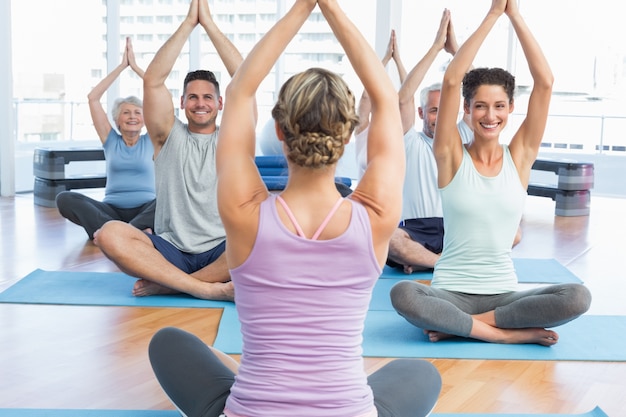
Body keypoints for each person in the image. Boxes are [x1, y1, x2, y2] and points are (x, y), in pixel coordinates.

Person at [148, 1, 442, 416]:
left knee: (167, 342)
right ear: (347, 133)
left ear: (280, 131)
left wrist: (303, 8)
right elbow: (384, 95)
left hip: (254, 410)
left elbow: (239, 91)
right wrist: (333, 10)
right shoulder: (374, 217)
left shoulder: (245, 212)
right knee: (421, 373)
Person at [390, 0, 592, 346]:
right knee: (404, 294)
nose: (490, 115)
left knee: (576, 296)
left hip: (504, 295)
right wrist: (494, 13)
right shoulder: (450, 155)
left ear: (511, 108)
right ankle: (507, 336)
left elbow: (545, 82)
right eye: (480, 105)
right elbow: (453, 80)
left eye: (499, 106)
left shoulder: (520, 157)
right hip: (449, 292)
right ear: (467, 109)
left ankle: (468, 326)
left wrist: (515, 15)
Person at [94, 0, 241, 300]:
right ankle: (202, 288)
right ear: (182, 103)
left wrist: (209, 24)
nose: (201, 103)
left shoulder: (233, 138)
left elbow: (244, 78)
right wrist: (189, 22)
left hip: (221, 251)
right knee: (107, 234)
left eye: (208, 97)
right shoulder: (166, 135)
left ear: (220, 103)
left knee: (263, 236)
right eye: (193, 97)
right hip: (170, 249)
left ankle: (170, 284)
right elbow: (154, 80)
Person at [56, 37, 156, 240]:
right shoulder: (110, 140)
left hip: (147, 209)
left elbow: (159, 94)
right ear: (117, 120)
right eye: (126, 113)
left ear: (145, 119)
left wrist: (135, 67)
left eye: (137, 112)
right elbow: (93, 97)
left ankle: (115, 234)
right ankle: (129, 233)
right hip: (111, 212)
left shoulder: (152, 140)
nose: (132, 117)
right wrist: (121, 67)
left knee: (170, 201)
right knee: (64, 199)